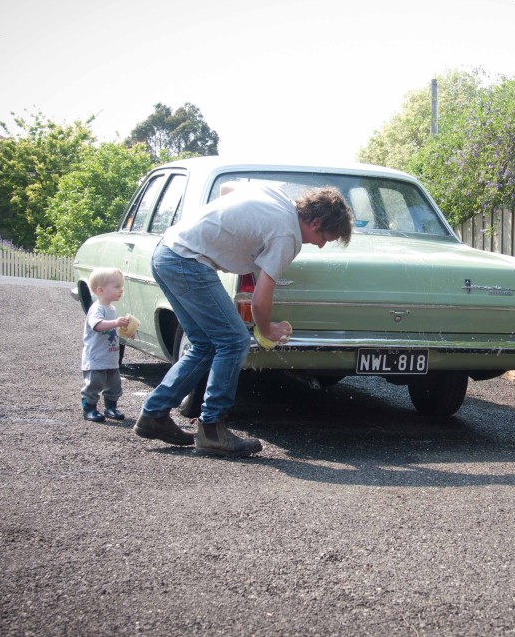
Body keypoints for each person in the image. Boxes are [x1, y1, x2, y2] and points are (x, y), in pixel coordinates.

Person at [134, 182, 354, 456]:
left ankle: (154, 415)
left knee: (205, 344)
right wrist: (267, 329)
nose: (321, 246)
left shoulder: (275, 196)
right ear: (316, 221)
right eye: (325, 238)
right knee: (235, 340)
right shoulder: (288, 236)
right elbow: (262, 297)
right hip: (187, 261)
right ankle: (212, 429)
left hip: (167, 252)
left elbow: (228, 189)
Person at [81, 267, 130, 423]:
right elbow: (98, 326)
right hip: (96, 358)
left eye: (121, 286)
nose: (120, 290)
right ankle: (89, 408)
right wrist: (115, 322)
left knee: (114, 386)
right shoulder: (97, 308)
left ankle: (111, 407)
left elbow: (112, 330)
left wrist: (126, 331)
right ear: (101, 290)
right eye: (116, 287)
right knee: (94, 385)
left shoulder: (112, 308)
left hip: (111, 357)